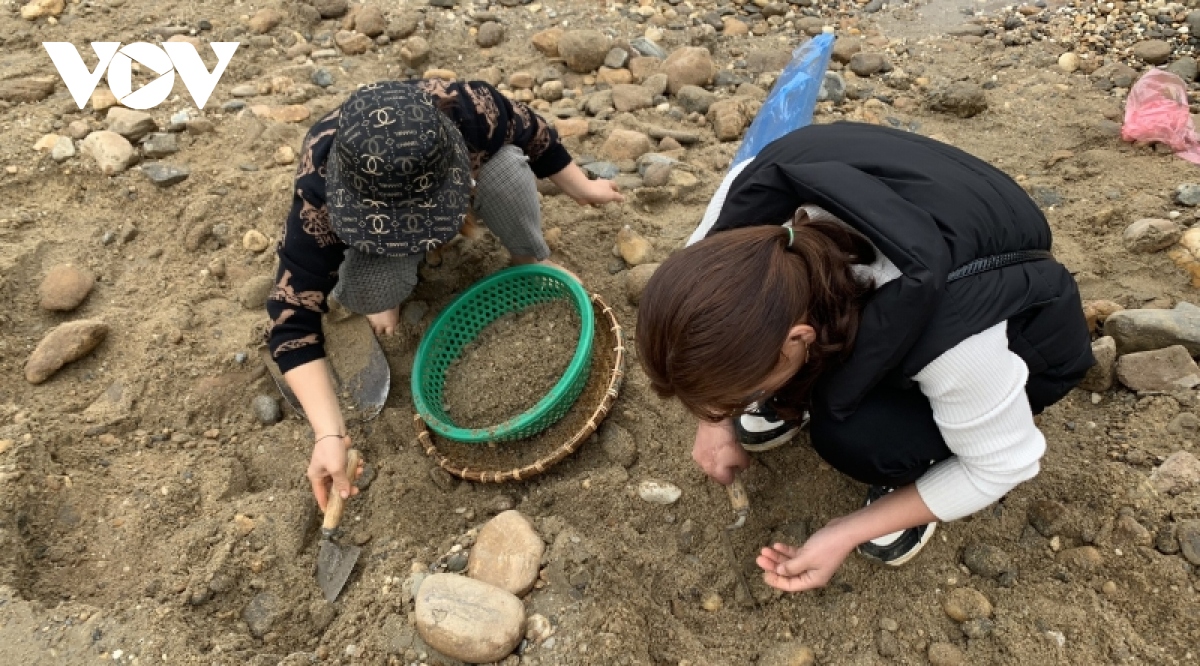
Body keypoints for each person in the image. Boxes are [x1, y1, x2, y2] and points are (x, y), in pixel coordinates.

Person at [635, 122, 1094, 592]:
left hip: (1020, 319)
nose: (737, 409)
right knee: (818, 386)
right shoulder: (734, 229)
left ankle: (910, 482)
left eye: (747, 393)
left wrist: (846, 531)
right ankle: (783, 384)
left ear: (799, 337)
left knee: (855, 436)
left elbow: (1007, 463)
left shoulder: (956, 345)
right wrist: (713, 419)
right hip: (945, 207)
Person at [266, 79, 624, 512]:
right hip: (373, 241)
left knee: (509, 166)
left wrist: (582, 186)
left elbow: (535, 132)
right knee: (372, 285)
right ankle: (387, 276)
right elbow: (291, 317)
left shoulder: (469, 109)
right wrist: (327, 433)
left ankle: (527, 257)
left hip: (465, 179)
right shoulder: (320, 189)